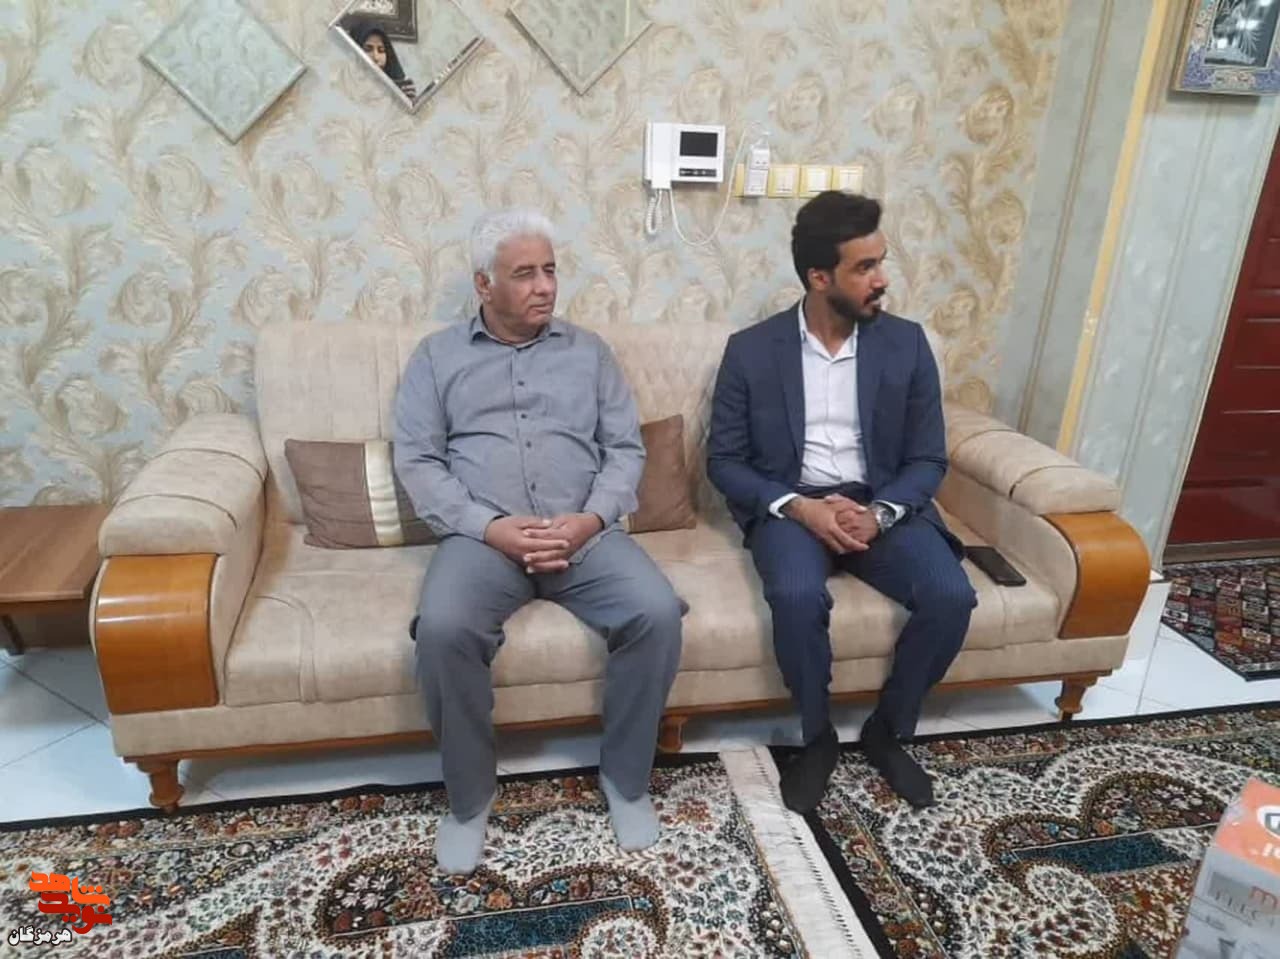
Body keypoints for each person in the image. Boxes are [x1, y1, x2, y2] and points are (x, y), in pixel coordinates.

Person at [393, 209, 684, 876]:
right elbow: (419, 462)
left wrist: (590, 519)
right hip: (484, 539)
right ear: (484, 284)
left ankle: (626, 780)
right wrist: (489, 526)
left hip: (582, 533)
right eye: (524, 273)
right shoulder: (437, 357)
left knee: (657, 612)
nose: (545, 286)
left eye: (549, 269)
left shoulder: (590, 352)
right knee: (442, 628)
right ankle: (469, 800)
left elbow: (624, 449)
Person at [707, 191, 976, 814]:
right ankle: (817, 736)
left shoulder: (906, 345)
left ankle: (887, 730)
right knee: (796, 596)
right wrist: (799, 508)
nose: (882, 280)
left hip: (880, 505)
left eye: (881, 262)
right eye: (865, 268)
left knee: (951, 595)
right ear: (819, 277)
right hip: (794, 510)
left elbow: (928, 458)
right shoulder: (751, 350)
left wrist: (880, 513)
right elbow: (724, 461)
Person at [347, 20, 417, 100]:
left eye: (381, 50)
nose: (376, 57)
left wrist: (408, 101)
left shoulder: (398, 86)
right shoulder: (344, 86)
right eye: (368, 49)